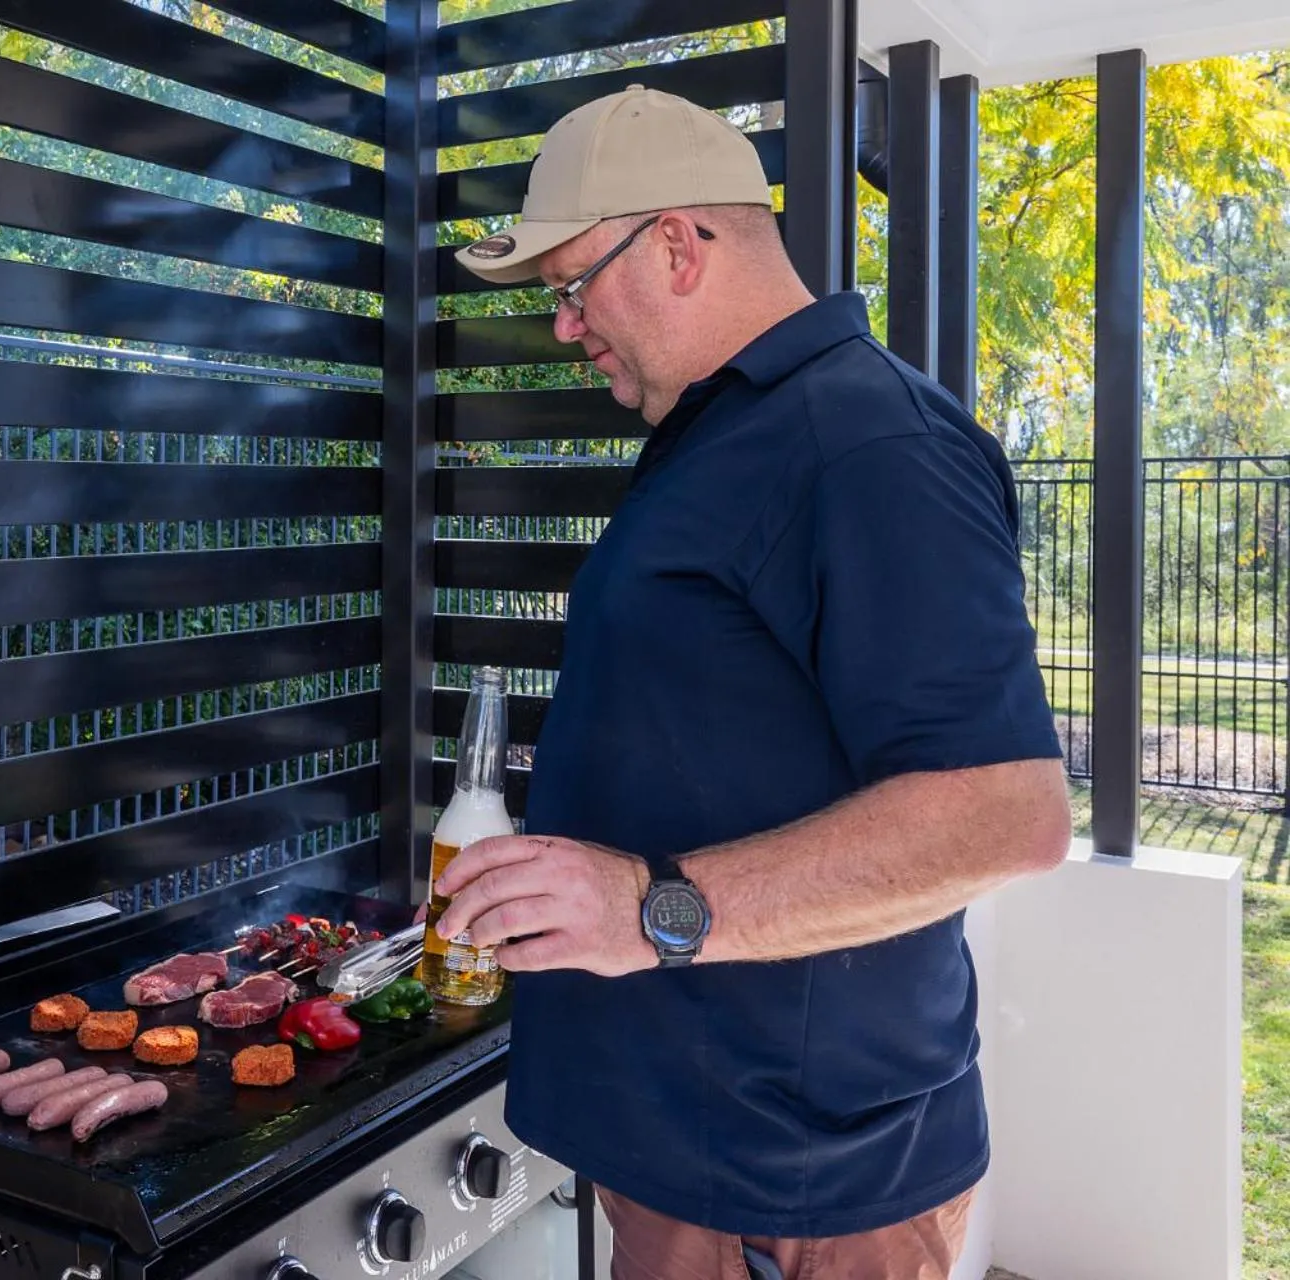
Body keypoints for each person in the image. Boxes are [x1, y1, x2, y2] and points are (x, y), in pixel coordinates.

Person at [437, 85, 1073, 1280]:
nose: (566, 327)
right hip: (695, 1159)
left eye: (574, 285)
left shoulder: (869, 443)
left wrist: (645, 906)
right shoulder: (726, 435)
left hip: (795, 1190)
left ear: (677, 242)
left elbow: (1006, 814)